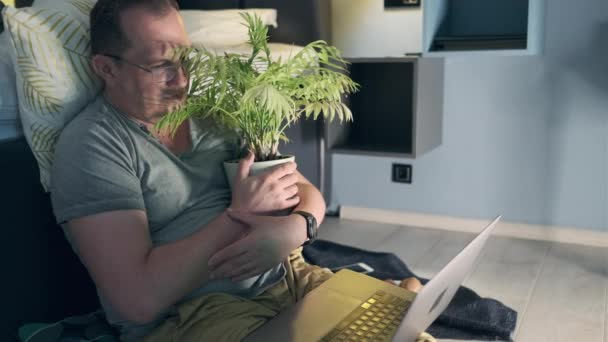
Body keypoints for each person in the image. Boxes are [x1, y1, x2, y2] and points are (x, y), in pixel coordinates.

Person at [49, 0, 430, 341]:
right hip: (201, 315)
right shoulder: (93, 145)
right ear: (106, 68)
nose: (181, 79)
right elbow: (137, 301)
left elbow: (305, 192)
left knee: (402, 322)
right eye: (160, 65)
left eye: (186, 59)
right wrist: (238, 217)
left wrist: (297, 229)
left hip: (292, 278)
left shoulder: (217, 116)